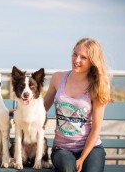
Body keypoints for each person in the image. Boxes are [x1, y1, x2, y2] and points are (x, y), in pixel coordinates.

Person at [44, 38, 111, 172]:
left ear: (92, 61)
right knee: (70, 169)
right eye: (75, 54)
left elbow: (96, 128)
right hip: (62, 149)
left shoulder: (97, 86)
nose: (76, 60)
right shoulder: (58, 78)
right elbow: (41, 109)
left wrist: (82, 158)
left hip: (91, 148)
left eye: (83, 57)